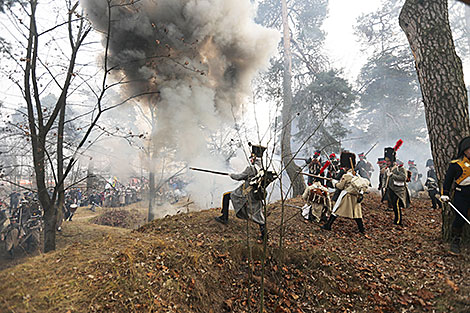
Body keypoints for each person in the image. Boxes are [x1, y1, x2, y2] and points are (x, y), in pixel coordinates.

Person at [215, 143, 269, 239]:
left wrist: (231, 175)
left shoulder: (251, 168)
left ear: (254, 157)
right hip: (256, 194)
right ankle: (265, 235)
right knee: (258, 215)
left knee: (227, 196)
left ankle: (224, 217)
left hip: (246, 194)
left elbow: (239, 177)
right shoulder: (262, 168)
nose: (250, 159)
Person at [321, 152, 369, 233]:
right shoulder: (356, 175)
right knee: (357, 214)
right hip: (355, 196)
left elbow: (340, 186)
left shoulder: (346, 175)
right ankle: (361, 229)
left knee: (336, 210)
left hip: (347, 196)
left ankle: (328, 225)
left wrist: (333, 182)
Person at [441, 136, 470, 255]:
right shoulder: (456, 164)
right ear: (465, 150)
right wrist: (445, 193)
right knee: (460, 217)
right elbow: (448, 180)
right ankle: (455, 241)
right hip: (461, 194)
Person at [383, 147, 410, 227]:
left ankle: (398, 221)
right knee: (394, 205)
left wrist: (392, 175)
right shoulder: (388, 169)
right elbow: (385, 178)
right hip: (391, 189)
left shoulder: (400, 168)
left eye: (388, 161)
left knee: (397, 205)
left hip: (399, 190)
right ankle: (396, 219)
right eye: (386, 161)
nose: (387, 163)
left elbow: (403, 178)